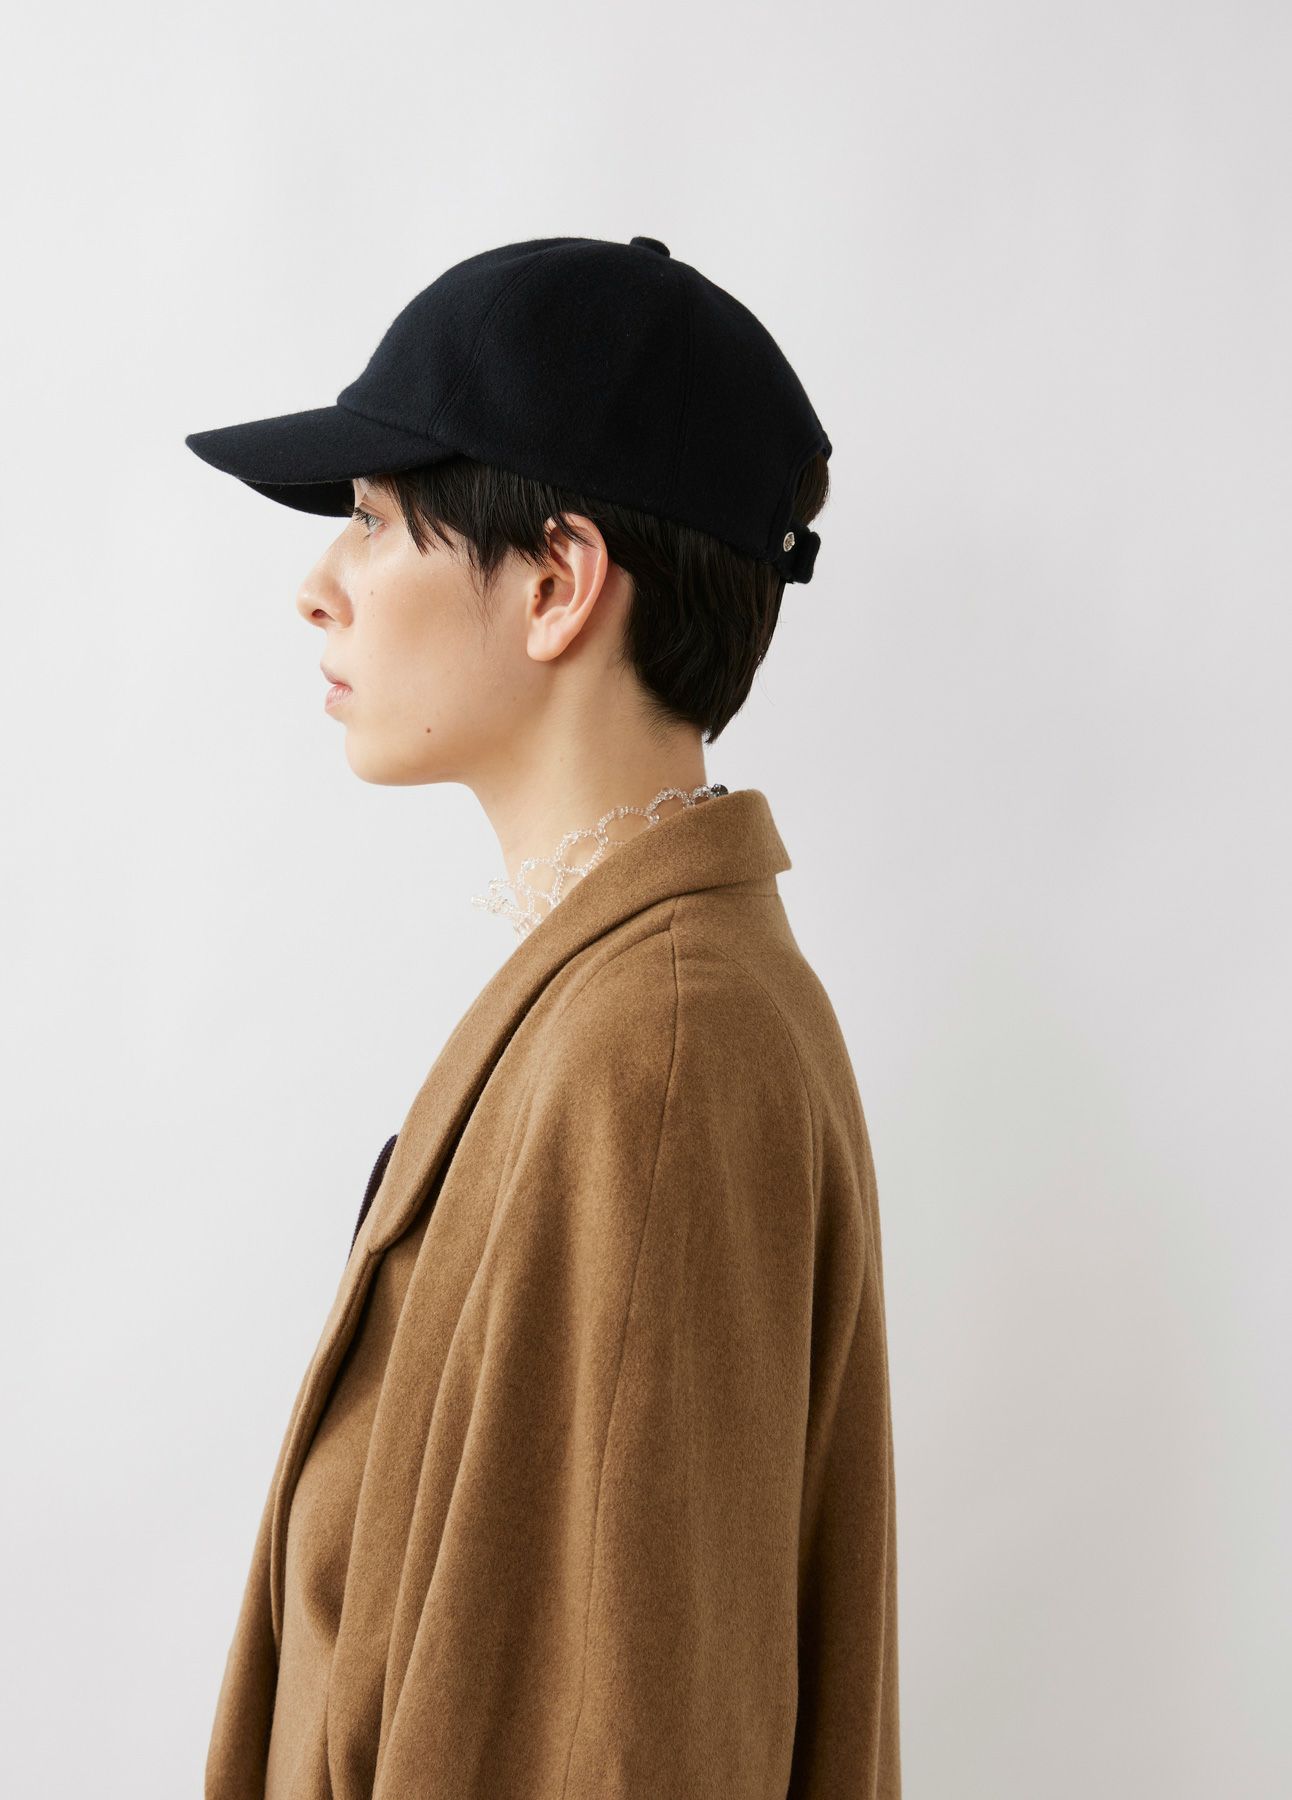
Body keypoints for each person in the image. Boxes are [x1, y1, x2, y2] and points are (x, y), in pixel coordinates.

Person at [184, 234, 900, 1799]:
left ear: (559, 583)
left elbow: (626, 1745)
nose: (318, 586)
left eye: (376, 521)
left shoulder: (658, 1059)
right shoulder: (620, 1004)